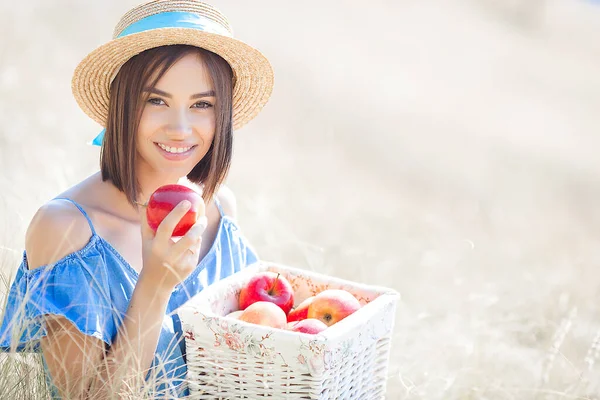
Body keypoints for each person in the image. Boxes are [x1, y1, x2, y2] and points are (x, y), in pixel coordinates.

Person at [0, 0, 274, 398]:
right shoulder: (68, 229)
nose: (180, 129)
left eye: (202, 104)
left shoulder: (218, 210)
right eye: (156, 100)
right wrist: (155, 284)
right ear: (122, 106)